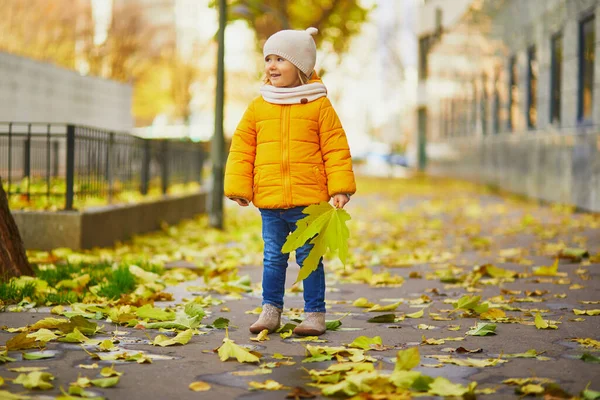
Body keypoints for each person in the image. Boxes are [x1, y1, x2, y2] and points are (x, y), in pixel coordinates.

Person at [224, 27, 356, 336]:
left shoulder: (319, 105)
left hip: (309, 201)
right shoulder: (259, 105)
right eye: (268, 58)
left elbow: (335, 147)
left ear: (301, 66)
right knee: (273, 258)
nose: (271, 65)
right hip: (270, 200)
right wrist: (240, 188)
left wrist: (340, 188)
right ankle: (271, 311)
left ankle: (314, 314)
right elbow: (243, 147)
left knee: (309, 258)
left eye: (280, 59)